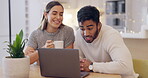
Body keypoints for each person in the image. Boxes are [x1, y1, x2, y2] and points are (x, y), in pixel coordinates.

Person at [74, 5, 137, 78]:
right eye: (82, 29)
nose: (86, 33)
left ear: (98, 25)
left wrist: (92, 66)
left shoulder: (111, 35)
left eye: (90, 28)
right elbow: (78, 60)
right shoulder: (79, 34)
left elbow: (125, 66)